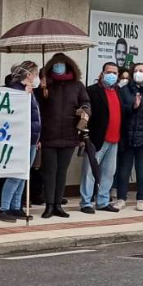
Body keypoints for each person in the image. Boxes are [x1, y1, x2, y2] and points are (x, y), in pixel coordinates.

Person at [38, 53, 89, 218]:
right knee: (49, 172)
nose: (59, 67)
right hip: (49, 135)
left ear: (69, 66)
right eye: (56, 65)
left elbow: (86, 102)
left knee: (62, 172)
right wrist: (42, 89)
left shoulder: (77, 85)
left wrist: (85, 110)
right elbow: (37, 106)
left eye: (62, 64)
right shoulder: (47, 84)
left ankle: (58, 204)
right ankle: (49, 205)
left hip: (69, 134)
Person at [0, 62, 42, 222]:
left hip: (31, 138)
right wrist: (24, 96)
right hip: (21, 139)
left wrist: (37, 138)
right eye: (36, 74)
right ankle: (4, 208)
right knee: (16, 174)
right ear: (29, 75)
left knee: (24, 174)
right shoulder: (17, 91)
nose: (37, 78)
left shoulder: (30, 92)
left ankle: (16, 206)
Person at [113, 62, 143, 211]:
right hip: (127, 135)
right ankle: (121, 198)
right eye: (136, 70)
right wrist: (132, 107)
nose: (138, 73)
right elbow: (120, 110)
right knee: (124, 169)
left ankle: (141, 198)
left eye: (141, 71)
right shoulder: (124, 90)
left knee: (142, 170)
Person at [78, 62, 123, 213]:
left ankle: (103, 201)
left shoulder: (118, 91)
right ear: (102, 73)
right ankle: (86, 202)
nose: (112, 75)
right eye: (108, 72)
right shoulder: (92, 91)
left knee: (108, 173)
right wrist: (84, 137)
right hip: (96, 138)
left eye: (115, 73)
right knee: (89, 172)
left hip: (114, 139)